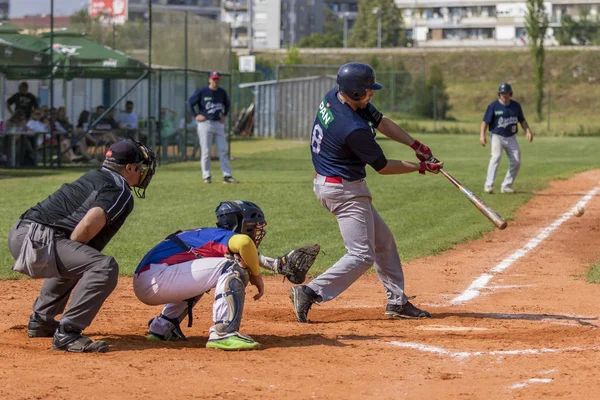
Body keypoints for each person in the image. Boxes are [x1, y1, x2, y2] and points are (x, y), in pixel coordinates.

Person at [289, 62, 443, 323]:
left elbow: (381, 121)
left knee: (383, 242)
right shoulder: (352, 128)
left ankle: (397, 302)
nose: (371, 94)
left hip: (336, 183)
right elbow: (382, 167)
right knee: (361, 255)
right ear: (355, 92)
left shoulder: (335, 96)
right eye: (367, 90)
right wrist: (422, 167)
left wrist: (415, 144)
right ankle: (310, 292)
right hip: (344, 190)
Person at [7, 140, 156, 353]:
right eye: (139, 167)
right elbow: (86, 226)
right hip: (39, 241)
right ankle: (68, 334)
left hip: (21, 234)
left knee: (81, 257)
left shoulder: (95, 175)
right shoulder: (120, 190)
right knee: (103, 267)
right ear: (129, 168)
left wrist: (75, 255)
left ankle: (42, 321)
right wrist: (77, 254)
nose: (142, 172)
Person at [134, 200, 279, 350]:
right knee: (233, 266)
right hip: (157, 278)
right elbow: (244, 243)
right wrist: (256, 275)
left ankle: (162, 327)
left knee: (209, 271)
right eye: (252, 227)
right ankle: (224, 334)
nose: (255, 232)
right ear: (240, 224)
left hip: (150, 278)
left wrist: (275, 264)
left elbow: (245, 251)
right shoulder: (222, 235)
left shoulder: (207, 235)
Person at [480, 83, 533, 194]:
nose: (505, 95)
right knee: (496, 157)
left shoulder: (516, 106)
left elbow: (522, 120)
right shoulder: (493, 106)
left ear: (511, 94)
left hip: (511, 137)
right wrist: (482, 135)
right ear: (499, 94)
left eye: (507, 93)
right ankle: (488, 185)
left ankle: (506, 186)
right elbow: (485, 122)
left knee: (517, 161)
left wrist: (528, 131)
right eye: (502, 93)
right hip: (497, 136)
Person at [187, 71, 237, 184]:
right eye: (213, 79)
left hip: (218, 124)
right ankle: (206, 175)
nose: (215, 81)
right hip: (205, 124)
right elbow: (190, 102)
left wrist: (224, 115)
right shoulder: (202, 91)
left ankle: (227, 175)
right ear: (210, 80)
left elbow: (227, 104)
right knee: (206, 151)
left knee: (223, 150)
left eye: (217, 79)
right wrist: (196, 115)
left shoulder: (222, 92)